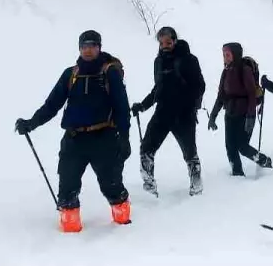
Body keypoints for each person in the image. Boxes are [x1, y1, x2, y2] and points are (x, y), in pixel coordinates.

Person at [15, 30, 131, 233]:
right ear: (79, 48)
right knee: (67, 187)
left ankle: (124, 227)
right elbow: (52, 105)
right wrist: (31, 123)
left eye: (92, 45)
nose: (88, 50)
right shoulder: (71, 74)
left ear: (99, 47)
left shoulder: (109, 72)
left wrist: (125, 138)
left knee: (111, 185)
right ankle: (69, 234)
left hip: (104, 138)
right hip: (74, 139)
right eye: (84, 46)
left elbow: (122, 107)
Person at [130, 26, 206, 197]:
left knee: (190, 153)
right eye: (162, 42)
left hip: (183, 114)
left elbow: (200, 85)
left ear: (175, 41)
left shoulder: (188, 59)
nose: (165, 45)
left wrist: (187, 102)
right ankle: (149, 187)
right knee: (146, 148)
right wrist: (143, 105)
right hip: (162, 112)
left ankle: (196, 187)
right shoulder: (159, 61)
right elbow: (158, 89)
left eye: (168, 42)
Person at [208, 43, 272, 175]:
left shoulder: (244, 70)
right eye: (223, 55)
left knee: (242, 147)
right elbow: (221, 96)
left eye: (228, 55)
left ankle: (264, 161)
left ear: (235, 54)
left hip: (244, 114)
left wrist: (251, 117)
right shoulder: (225, 72)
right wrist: (213, 116)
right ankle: (237, 174)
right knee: (230, 147)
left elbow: (251, 94)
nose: (225, 58)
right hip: (230, 114)